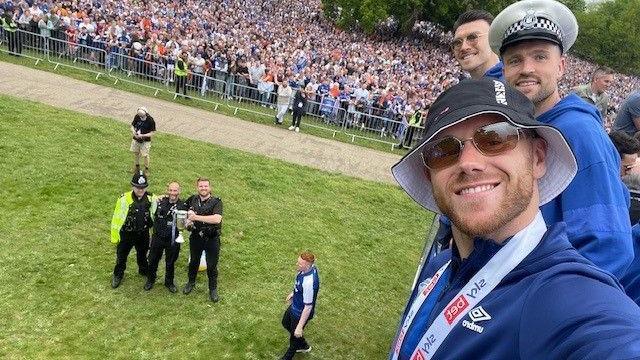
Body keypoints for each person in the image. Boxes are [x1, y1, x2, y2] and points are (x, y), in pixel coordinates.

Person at [390, 78, 640, 360]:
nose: (468, 162)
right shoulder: (439, 269)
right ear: (429, 175)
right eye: (444, 150)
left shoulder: (563, 295)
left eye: (495, 137)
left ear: (537, 158)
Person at [490, 0, 633, 279]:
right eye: (515, 60)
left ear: (561, 66)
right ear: (504, 70)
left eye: (540, 57)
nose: (526, 68)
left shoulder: (579, 133)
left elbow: (605, 248)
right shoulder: (518, 128)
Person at [110, 173, 156, 289]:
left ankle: (143, 270)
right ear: (132, 186)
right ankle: (118, 274)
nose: (140, 190)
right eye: (138, 187)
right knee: (121, 256)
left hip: (143, 234)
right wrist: (115, 237)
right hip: (126, 234)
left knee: (142, 254)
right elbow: (116, 217)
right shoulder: (123, 199)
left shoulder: (151, 198)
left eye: (143, 187)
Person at [182, 177, 223, 302]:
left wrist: (195, 217)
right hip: (195, 237)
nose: (203, 188)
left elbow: (217, 219)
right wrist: (187, 220)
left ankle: (213, 289)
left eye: (205, 186)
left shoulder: (217, 202)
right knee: (193, 262)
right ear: (197, 187)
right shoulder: (192, 199)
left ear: (210, 188)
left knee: (211, 265)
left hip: (212, 238)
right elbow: (182, 209)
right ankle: (191, 282)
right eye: (201, 186)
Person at [144, 181, 185, 293]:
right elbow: (145, 195)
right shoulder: (159, 201)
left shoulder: (183, 206)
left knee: (170, 262)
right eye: (170, 190)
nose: (172, 192)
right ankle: (150, 280)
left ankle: (169, 282)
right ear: (167, 190)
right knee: (152, 260)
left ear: (179, 191)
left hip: (173, 239)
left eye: (175, 190)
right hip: (157, 237)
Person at [280, 251, 320, 360]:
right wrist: (294, 293)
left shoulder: (309, 282)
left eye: (300, 263)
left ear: (307, 265)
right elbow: (300, 286)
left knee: (294, 336)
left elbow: (308, 307)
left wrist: (299, 327)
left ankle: (287, 357)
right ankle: (304, 345)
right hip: (295, 305)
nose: (297, 265)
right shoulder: (307, 269)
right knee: (285, 322)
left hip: (300, 312)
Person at [451, 10, 501, 80]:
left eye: (472, 37)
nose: (463, 47)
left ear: (494, 39)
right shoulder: (467, 88)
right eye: (457, 42)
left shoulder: (514, 84)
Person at [130, 107, 156, 175]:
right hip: (136, 138)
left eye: (142, 116)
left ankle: (146, 169)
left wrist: (143, 135)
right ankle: (137, 167)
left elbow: (152, 133)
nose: (140, 117)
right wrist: (133, 132)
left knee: (145, 155)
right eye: (139, 116)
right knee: (136, 153)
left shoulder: (150, 120)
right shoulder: (137, 116)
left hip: (145, 141)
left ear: (146, 114)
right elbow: (132, 126)